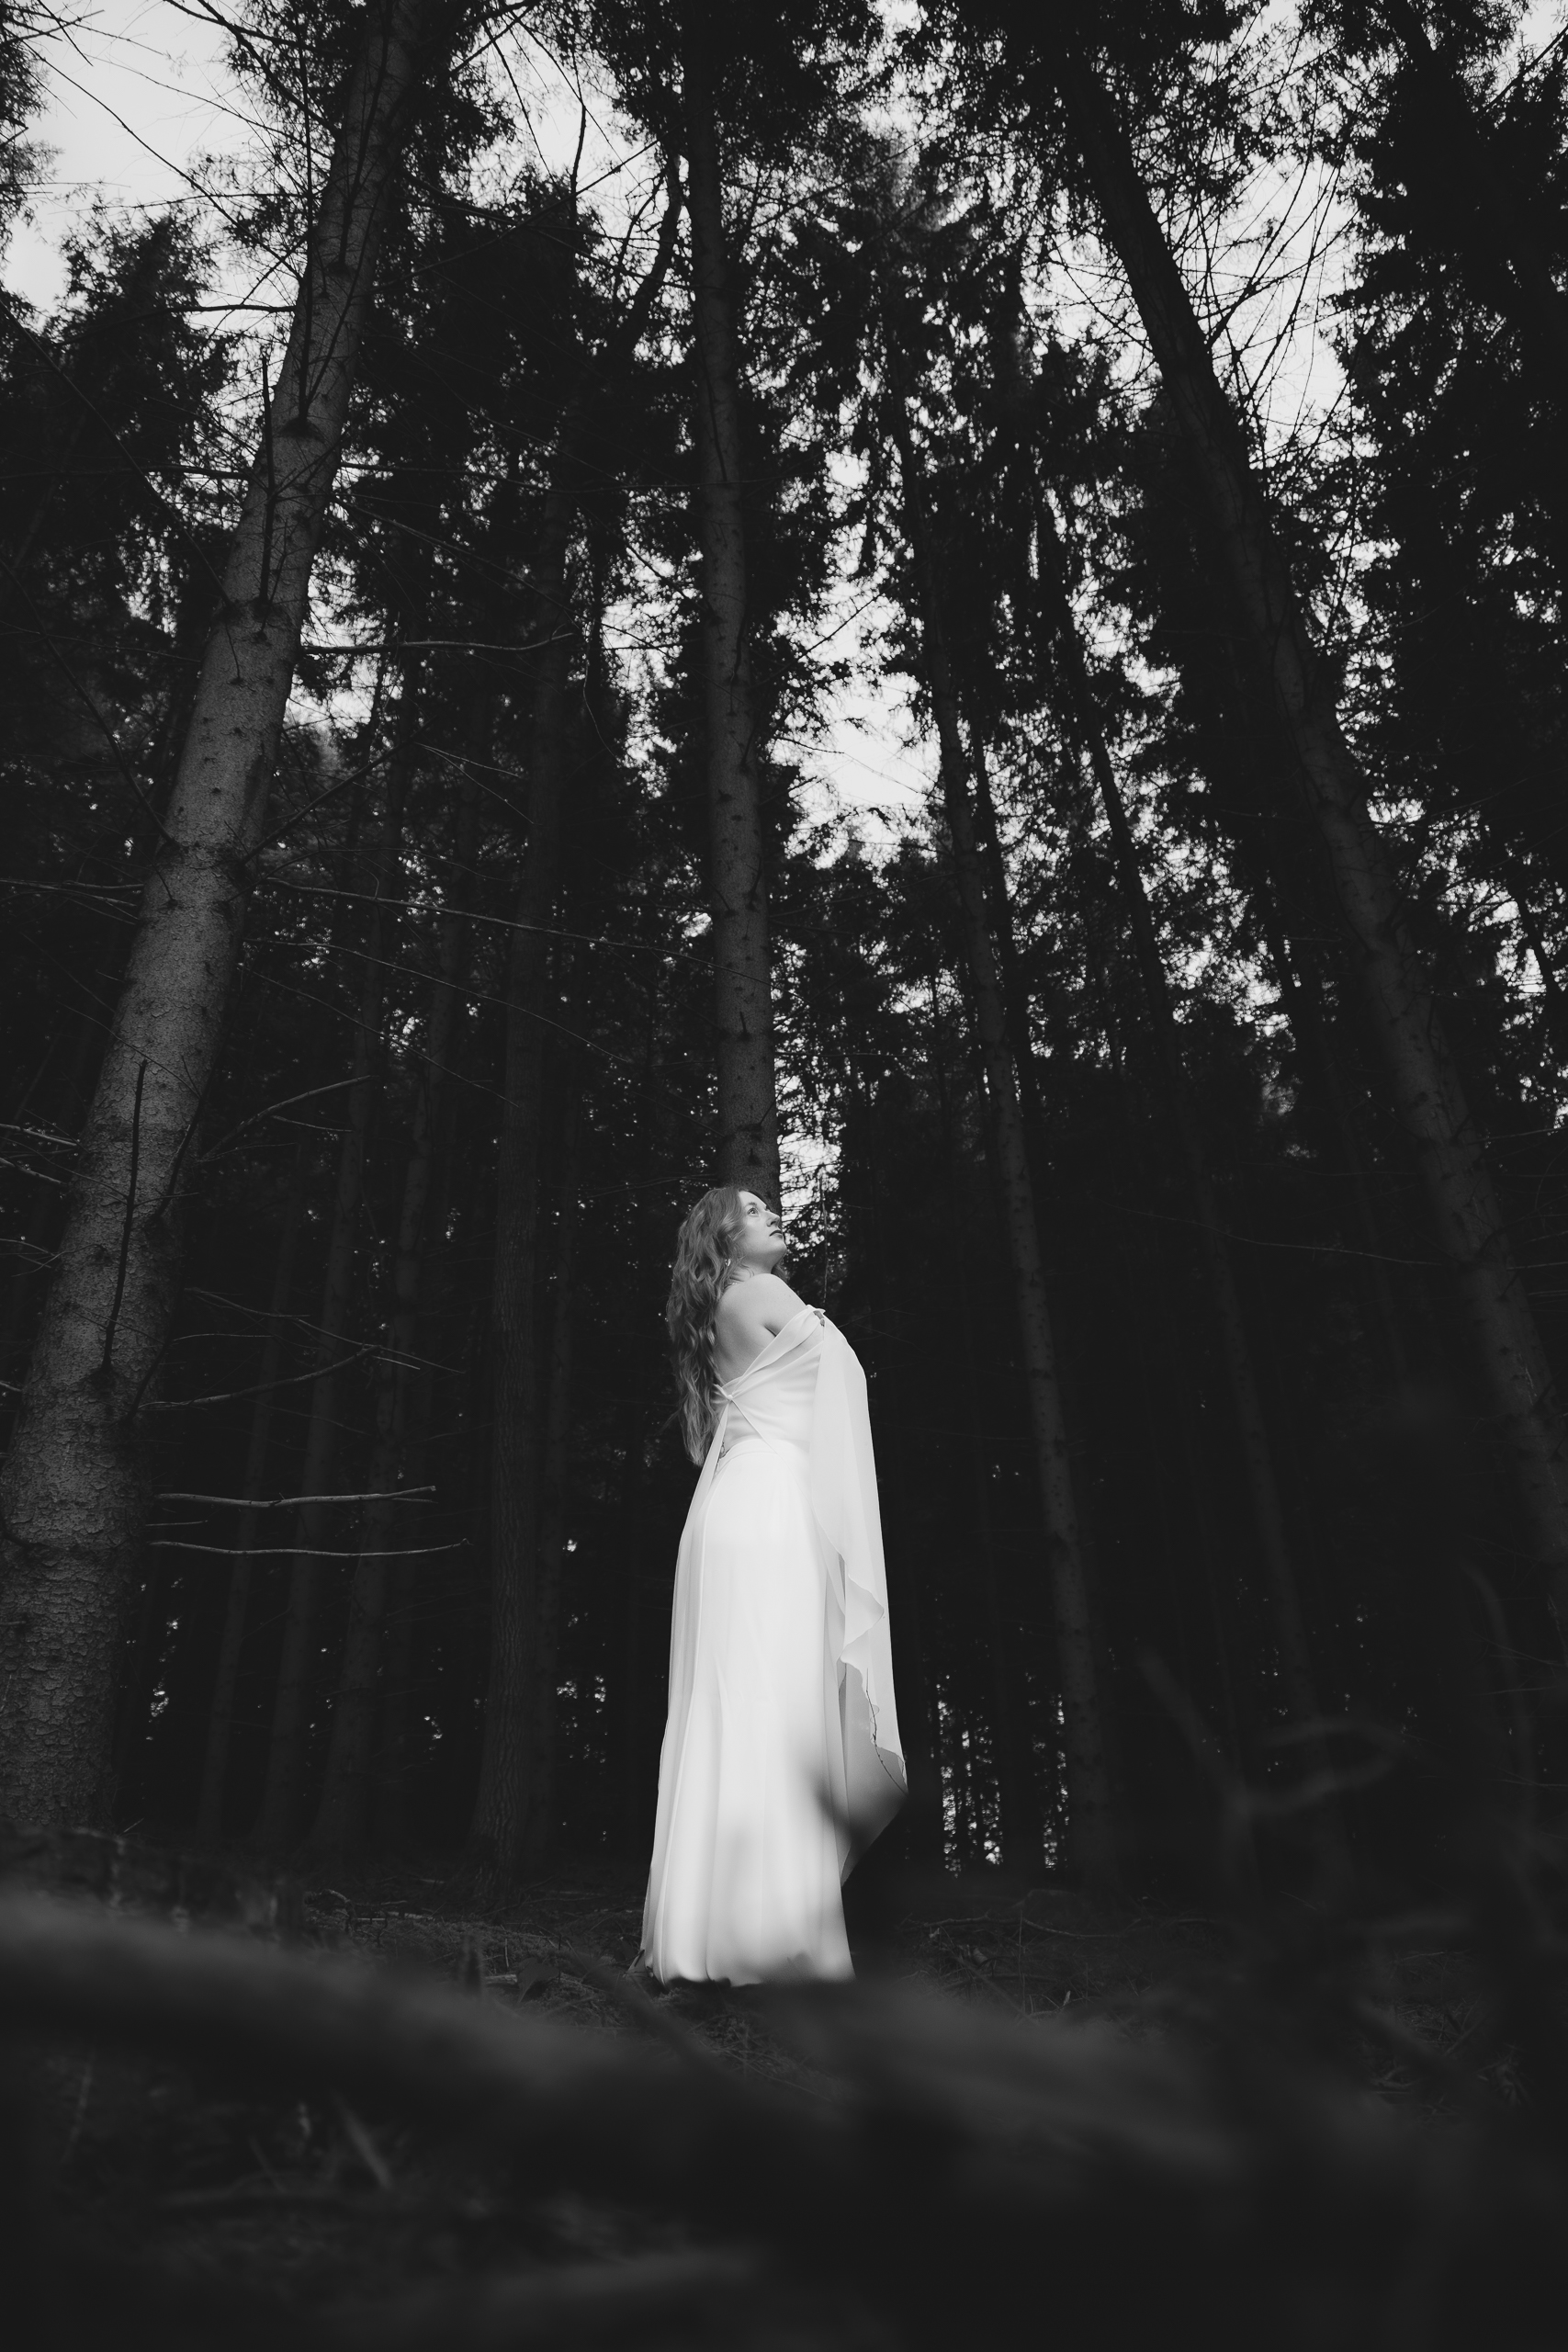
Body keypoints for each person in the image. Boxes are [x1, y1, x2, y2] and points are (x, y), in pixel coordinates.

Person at [639, 1183, 906, 1984]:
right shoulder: (761, 1292)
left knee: (724, 1708)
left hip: (730, 1510)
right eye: (753, 1212)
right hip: (773, 1514)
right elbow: (841, 1381)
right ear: (724, 1238)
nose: (772, 1217)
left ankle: (703, 1937)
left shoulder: (718, 1309)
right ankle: (775, 1939)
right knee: (779, 1709)